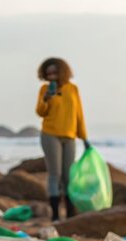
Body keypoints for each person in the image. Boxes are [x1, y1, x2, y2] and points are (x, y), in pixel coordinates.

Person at [36, 58, 89, 221]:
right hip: (50, 134)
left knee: (68, 175)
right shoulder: (44, 89)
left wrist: (84, 137)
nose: (51, 76)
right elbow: (40, 112)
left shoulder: (73, 89)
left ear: (62, 72)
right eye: (48, 73)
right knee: (55, 174)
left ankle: (70, 212)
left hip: (69, 136)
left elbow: (79, 114)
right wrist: (46, 99)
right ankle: (55, 214)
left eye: (55, 72)